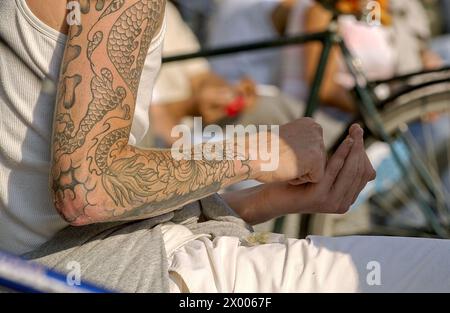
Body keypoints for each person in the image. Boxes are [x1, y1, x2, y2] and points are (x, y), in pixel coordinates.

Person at [0, 0, 449, 293]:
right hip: (144, 271)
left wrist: (264, 198)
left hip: (129, 257)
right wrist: (262, 152)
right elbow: (90, 189)